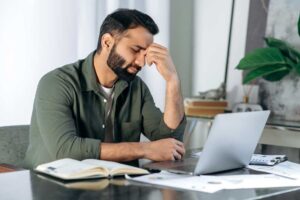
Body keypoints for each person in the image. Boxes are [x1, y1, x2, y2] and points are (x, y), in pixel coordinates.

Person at [24, 8, 186, 169]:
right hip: (55, 187)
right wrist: (144, 149)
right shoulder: (56, 83)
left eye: (145, 54)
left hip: (118, 186)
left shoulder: (136, 87)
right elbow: (66, 150)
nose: (141, 62)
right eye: (135, 50)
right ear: (107, 42)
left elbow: (169, 139)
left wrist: (172, 80)